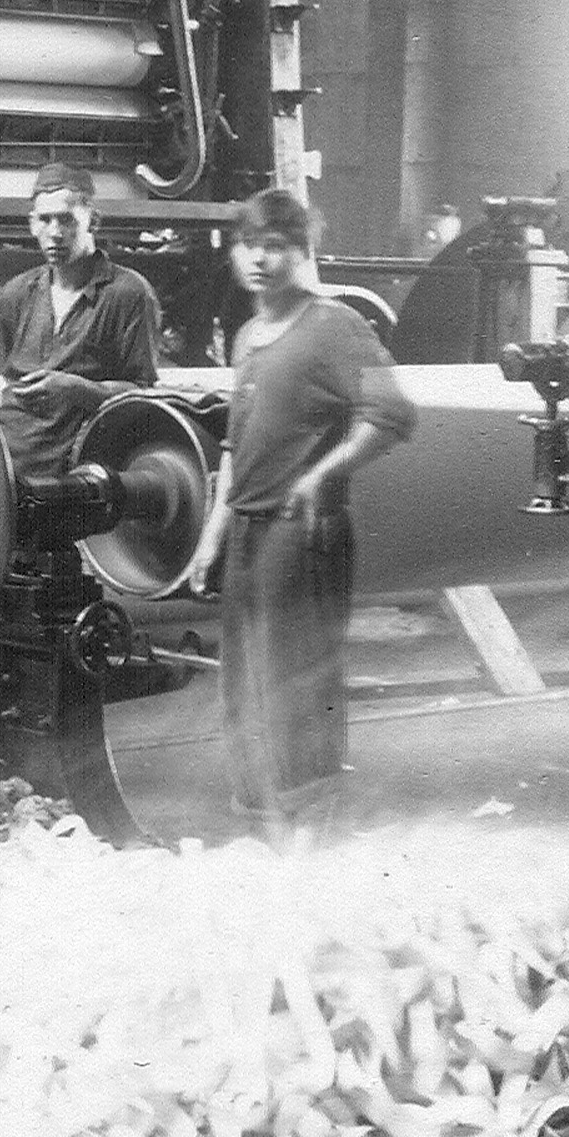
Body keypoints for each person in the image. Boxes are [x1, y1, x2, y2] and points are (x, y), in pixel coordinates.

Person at [183, 187, 413, 843]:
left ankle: (313, 824)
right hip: (247, 527)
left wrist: (321, 474)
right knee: (244, 681)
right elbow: (235, 447)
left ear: (302, 252)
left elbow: (391, 413)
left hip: (302, 529)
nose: (259, 259)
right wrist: (211, 536)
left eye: (275, 246)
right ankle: (262, 824)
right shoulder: (248, 336)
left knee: (297, 677)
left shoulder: (334, 325)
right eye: (248, 246)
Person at [0, 162, 163, 483]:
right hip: (0, 459)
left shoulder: (129, 294)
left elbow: (142, 395)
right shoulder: (18, 292)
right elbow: (2, 380)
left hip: (71, 471)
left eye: (67, 220)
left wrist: (76, 388)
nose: (54, 233)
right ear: (32, 224)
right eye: (45, 220)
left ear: (93, 221)